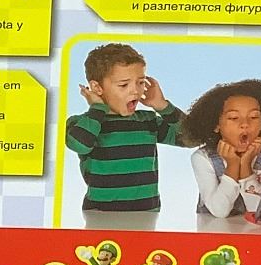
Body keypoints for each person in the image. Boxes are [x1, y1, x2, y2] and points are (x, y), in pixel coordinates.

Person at [64, 43, 181, 224]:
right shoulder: (83, 123)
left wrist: (162, 105)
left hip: (146, 215)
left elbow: (190, 138)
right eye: (124, 84)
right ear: (97, 88)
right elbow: (80, 144)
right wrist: (97, 108)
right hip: (100, 216)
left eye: (140, 82)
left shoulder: (148, 121)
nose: (135, 90)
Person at [180, 79, 261, 220]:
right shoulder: (203, 158)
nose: (245, 124)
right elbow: (219, 211)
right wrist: (233, 166)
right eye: (234, 117)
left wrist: (246, 168)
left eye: (254, 117)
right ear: (216, 125)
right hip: (214, 232)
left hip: (256, 233)